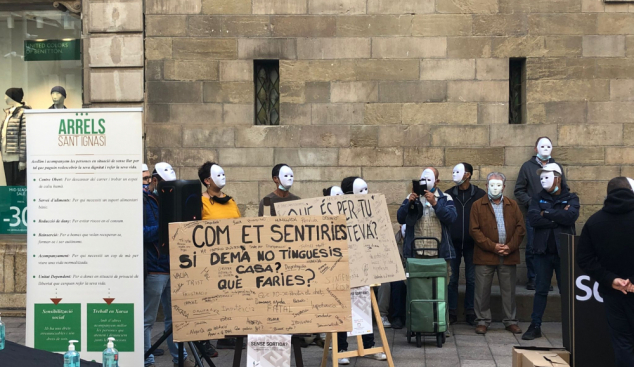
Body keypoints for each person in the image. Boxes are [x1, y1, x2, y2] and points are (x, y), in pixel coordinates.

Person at [577, 177, 634, 367]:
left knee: (622, 344)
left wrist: (610, 280)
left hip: (613, 293)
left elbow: (584, 258)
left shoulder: (595, 222)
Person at [143, 163, 196, 367]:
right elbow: (141, 232)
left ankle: (179, 358)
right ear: (155, 181)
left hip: (173, 267)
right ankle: (147, 360)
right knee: (148, 319)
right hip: (155, 267)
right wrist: (164, 227)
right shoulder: (144, 202)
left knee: (174, 320)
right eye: (165, 185)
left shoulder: (171, 201)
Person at [522, 163, 579, 341]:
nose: (543, 180)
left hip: (564, 252)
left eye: (547, 176)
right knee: (541, 290)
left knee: (567, 291)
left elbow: (570, 217)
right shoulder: (537, 198)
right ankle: (535, 325)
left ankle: (573, 325)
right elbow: (533, 219)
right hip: (543, 252)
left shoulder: (571, 198)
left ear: (558, 178)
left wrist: (545, 213)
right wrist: (556, 216)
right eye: (541, 177)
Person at [336, 177, 386, 365]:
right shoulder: (339, 211)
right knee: (342, 308)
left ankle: (369, 346)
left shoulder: (367, 211)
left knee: (363, 304)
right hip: (344, 267)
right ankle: (341, 348)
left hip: (363, 267)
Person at [469, 172, 525, 335]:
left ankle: (510, 320)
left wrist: (510, 246)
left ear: (504, 187)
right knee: (482, 290)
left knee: (508, 290)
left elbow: (520, 228)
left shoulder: (512, 205)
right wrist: (493, 246)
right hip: (485, 255)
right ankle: (482, 320)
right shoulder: (477, 205)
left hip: (508, 255)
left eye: (499, 185)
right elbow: (474, 230)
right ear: (486, 186)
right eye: (492, 185)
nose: (495, 188)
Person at [197, 161, 241, 352]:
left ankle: (227, 336)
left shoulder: (231, 201)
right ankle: (205, 339)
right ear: (207, 180)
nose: (223, 177)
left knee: (229, 298)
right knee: (208, 300)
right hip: (210, 261)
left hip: (231, 260)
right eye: (218, 174)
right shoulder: (201, 202)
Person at [514, 137, 566, 290]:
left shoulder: (557, 166)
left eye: (548, 146)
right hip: (535, 214)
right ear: (535, 148)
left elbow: (564, 187)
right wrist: (532, 203)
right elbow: (519, 189)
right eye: (541, 146)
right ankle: (533, 278)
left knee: (552, 246)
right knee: (532, 246)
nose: (545, 149)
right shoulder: (527, 167)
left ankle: (548, 280)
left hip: (553, 213)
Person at [446, 163, 485, 325]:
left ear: (467, 175)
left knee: (471, 279)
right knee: (452, 278)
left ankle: (470, 311)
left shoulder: (479, 194)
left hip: (472, 243)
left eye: (458, 172)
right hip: (452, 243)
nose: (455, 174)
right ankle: (452, 311)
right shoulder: (448, 194)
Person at [397, 167, 457, 262]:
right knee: (416, 277)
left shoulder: (445, 198)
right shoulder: (411, 197)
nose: (425, 182)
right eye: (423, 179)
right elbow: (400, 218)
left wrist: (435, 204)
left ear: (437, 181)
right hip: (416, 253)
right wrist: (409, 204)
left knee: (440, 277)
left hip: (438, 253)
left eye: (429, 179)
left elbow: (451, 218)